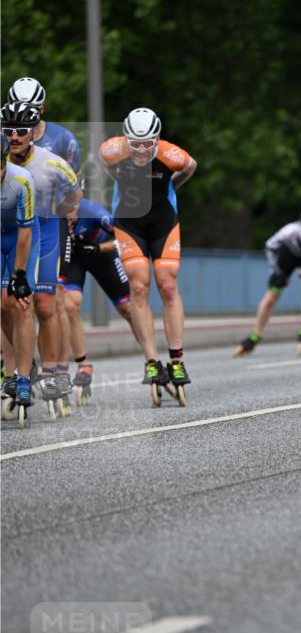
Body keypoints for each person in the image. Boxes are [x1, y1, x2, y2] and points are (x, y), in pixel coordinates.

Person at [99, 108, 197, 397]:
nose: (141, 150)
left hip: (163, 219)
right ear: (126, 138)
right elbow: (107, 168)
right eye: (135, 143)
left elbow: (191, 167)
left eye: (147, 144)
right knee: (138, 287)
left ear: (157, 138)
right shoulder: (111, 151)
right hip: (129, 220)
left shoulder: (171, 154)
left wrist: (170, 187)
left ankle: (177, 360)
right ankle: (152, 361)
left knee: (167, 285)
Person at [1, 102, 81, 418]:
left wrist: (63, 212)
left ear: (34, 131)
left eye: (22, 130)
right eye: (9, 130)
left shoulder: (52, 164)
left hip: (43, 230)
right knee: (5, 303)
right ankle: (19, 367)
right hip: (8, 230)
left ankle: (51, 373)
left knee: (44, 304)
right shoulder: (2, 158)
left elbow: (74, 195)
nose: (15, 136)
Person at [59, 197, 138, 403]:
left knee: (127, 308)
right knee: (70, 304)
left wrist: (98, 249)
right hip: (74, 258)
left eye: (70, 210)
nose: (67, 215)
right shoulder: (51, 214)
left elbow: (125, 236)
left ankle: (152, 360)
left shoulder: (92, 213)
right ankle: (83, 364)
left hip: (101, 253)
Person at [235, 206, 301, 357]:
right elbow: (269, 247)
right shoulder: (289, 231)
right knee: (271, 297)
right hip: (288, 257)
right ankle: (255, 335)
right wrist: (275, 272)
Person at [0, 132, 39, 425]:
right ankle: (12, 369)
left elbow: (25, 232)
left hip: (20, 239)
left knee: (21, 302)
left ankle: (24, 378)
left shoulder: (21, 179)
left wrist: (19, 275)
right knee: (2, 305)